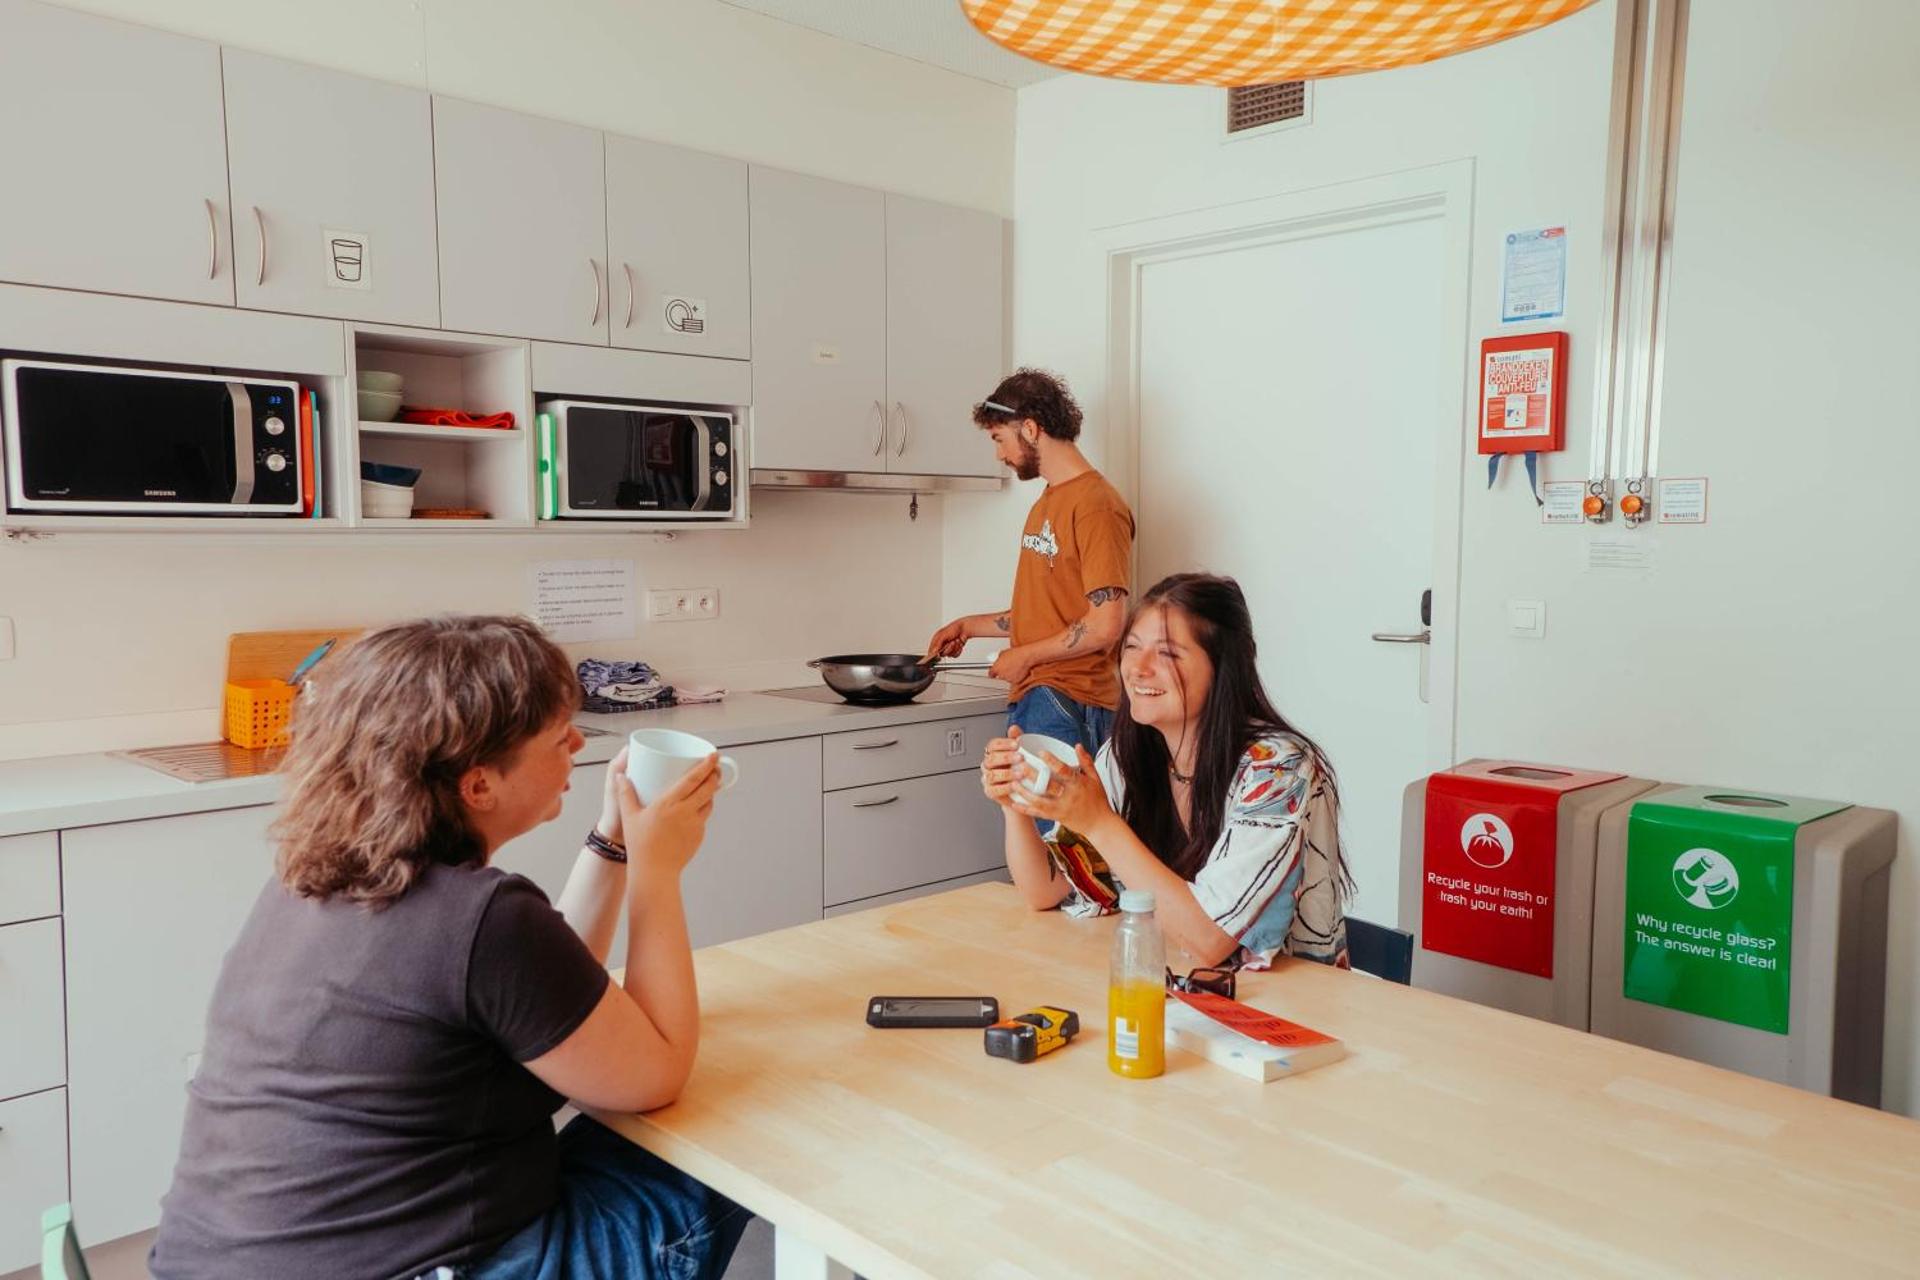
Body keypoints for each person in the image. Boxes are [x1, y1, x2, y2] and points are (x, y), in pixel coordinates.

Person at [148, 615, 748, 1280]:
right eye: (557, 738)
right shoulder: (485, 918)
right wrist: (658, 875)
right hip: (412, 1269)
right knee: (736, 1138)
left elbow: (551, 1001)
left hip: (214, 1263)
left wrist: (615, 842)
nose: (578, 744)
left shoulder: (311, 881)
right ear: (479, 785)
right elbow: (654, 1076)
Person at [979, 574, 1351, 971]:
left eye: (1168, 654)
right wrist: (1014, 802)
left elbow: (1209, 939)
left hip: (1287, 1008)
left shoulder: (1277, 767)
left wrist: (1098, 821)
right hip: (1178, 990)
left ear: (1223, 666)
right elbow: (1044, 890)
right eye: (1132, 648)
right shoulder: (1128, 754)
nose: (1138, 669)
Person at [925, 368, 1135, 830]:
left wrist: (1024, 657)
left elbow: (1105, 625)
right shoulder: (1048, 501)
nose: (999, 454)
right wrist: (969, 625)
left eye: (1000, 439)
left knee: (1070, 858)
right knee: (1047, 856)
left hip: (1067, 697)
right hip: (1043, 694)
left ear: (1031, 428)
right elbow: (1049, 610)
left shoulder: (1096, 505)